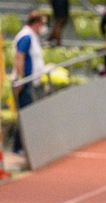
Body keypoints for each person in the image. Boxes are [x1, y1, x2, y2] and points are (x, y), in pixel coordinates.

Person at [12, 11, 47, 155]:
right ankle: (18, 147)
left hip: (31, 81)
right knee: (25, 115)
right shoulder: (26, 36)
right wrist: (20, 79)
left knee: (28, 114)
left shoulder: (32, 37)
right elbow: (19, 57)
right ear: (36, 23)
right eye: (43, 24)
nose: (44, 28)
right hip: (25, 82)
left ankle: (24, 146)